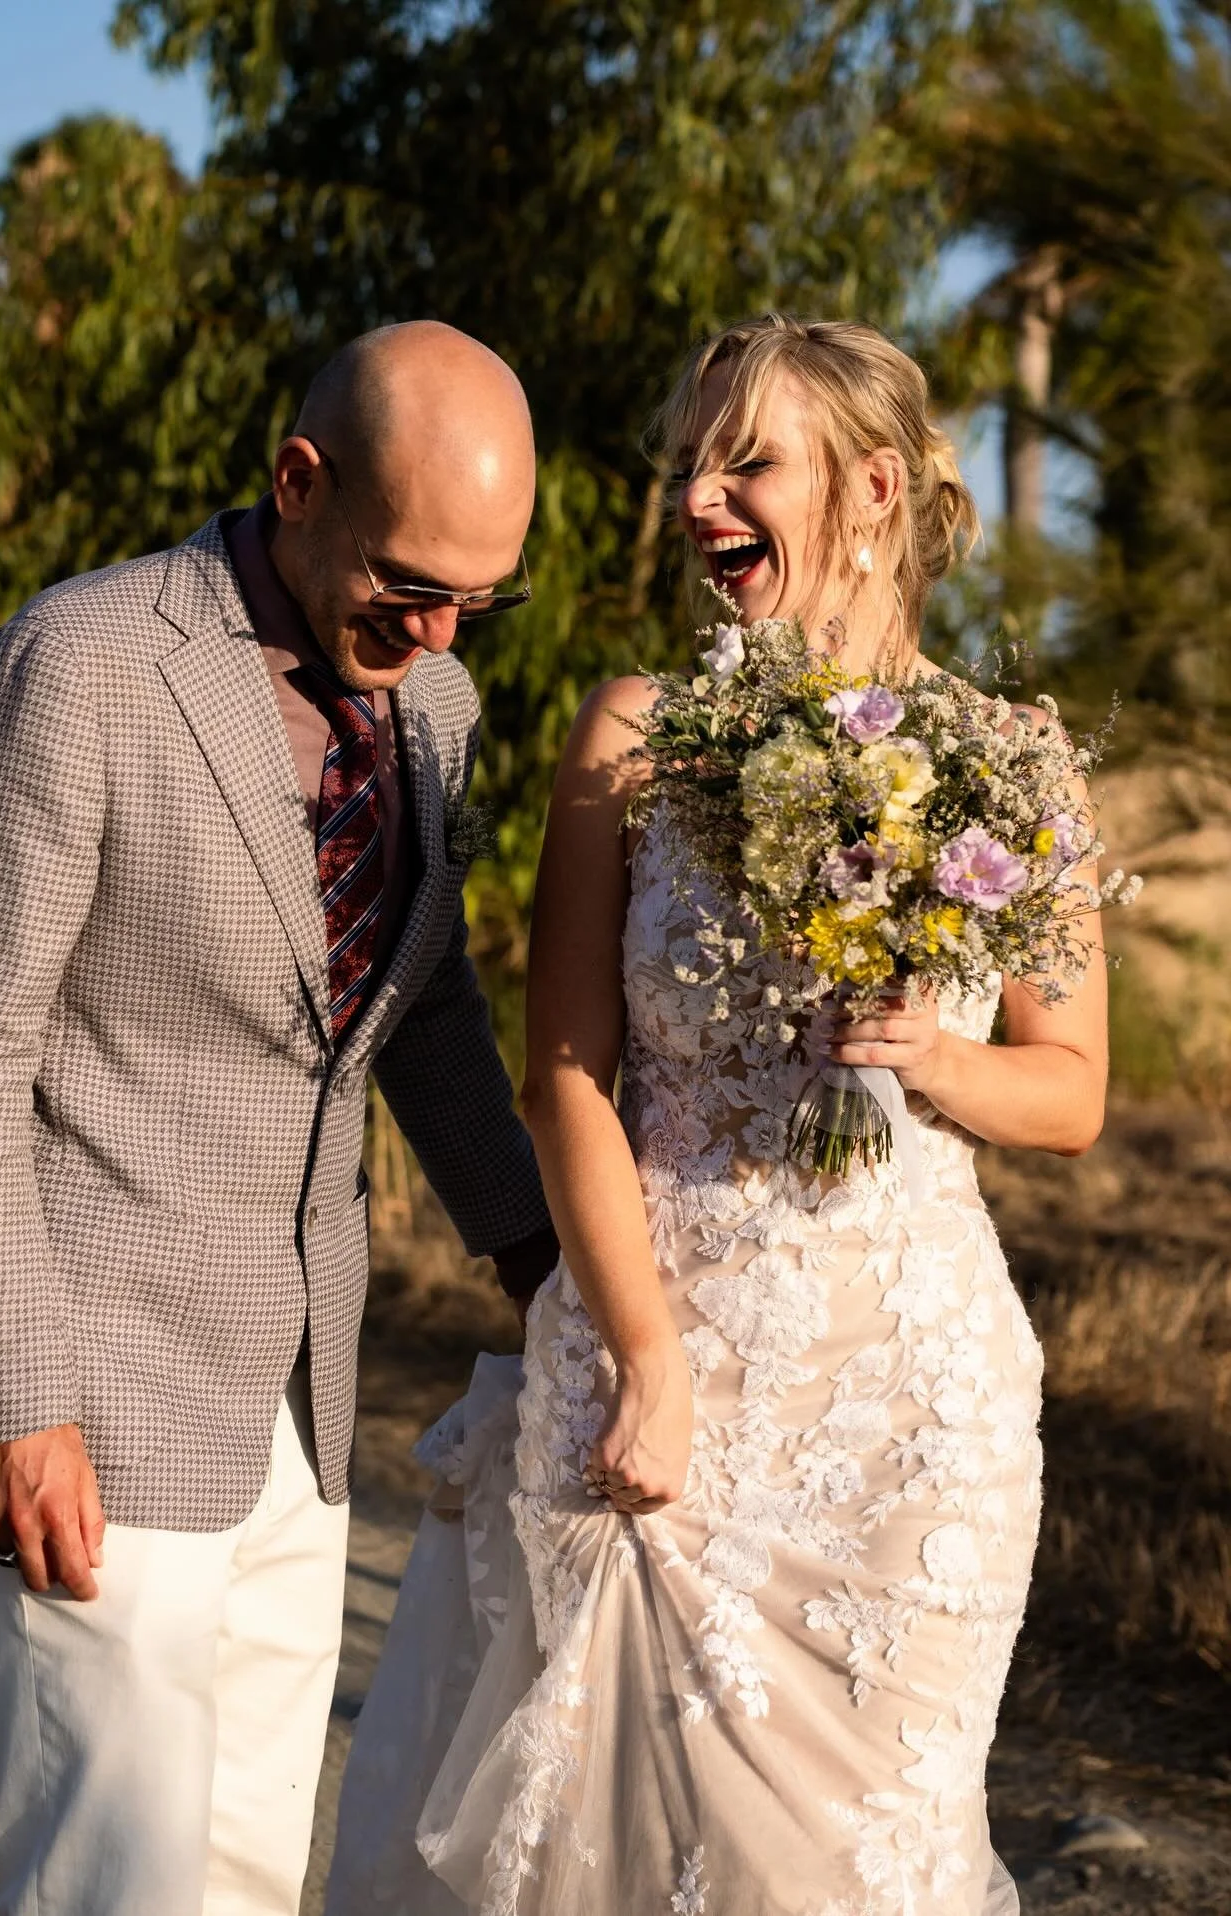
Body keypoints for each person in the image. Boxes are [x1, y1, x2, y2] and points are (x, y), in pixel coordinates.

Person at [326, 315, 1108, 1915]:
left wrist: (932, 1058)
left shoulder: (1015, 761)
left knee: (864, 1870)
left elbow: (1074, 1090)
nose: (696, 499)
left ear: (874, 489)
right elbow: (562, 1077)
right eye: (690, 463)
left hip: (912, 1419)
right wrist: (649, 1358)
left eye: (745, 461)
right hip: (671, 1367)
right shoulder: (634, 737)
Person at [0, 319, 559, 1916]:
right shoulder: (81, 665)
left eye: (482, 596)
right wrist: (10, 1396)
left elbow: (427, 1014)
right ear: (299, 483)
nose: (447, 626)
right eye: (411, 584)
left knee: (254, 1872)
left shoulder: (436, 705)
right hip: (89, 1399)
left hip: (299, 1408)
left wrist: (546, 1264)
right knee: (105, 1884)